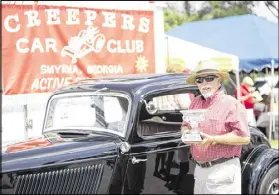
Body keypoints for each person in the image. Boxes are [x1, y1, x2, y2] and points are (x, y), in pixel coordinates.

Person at [181, 59, 250, 194]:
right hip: (199, 170)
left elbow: (244, 137)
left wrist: (213, 139)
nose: (204, 83)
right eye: (199, 80)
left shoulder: (231, 103)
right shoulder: (195, 102)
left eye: (209, 78)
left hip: (222, 170)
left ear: (219, 81)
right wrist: (186, 134)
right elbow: (185, 124)